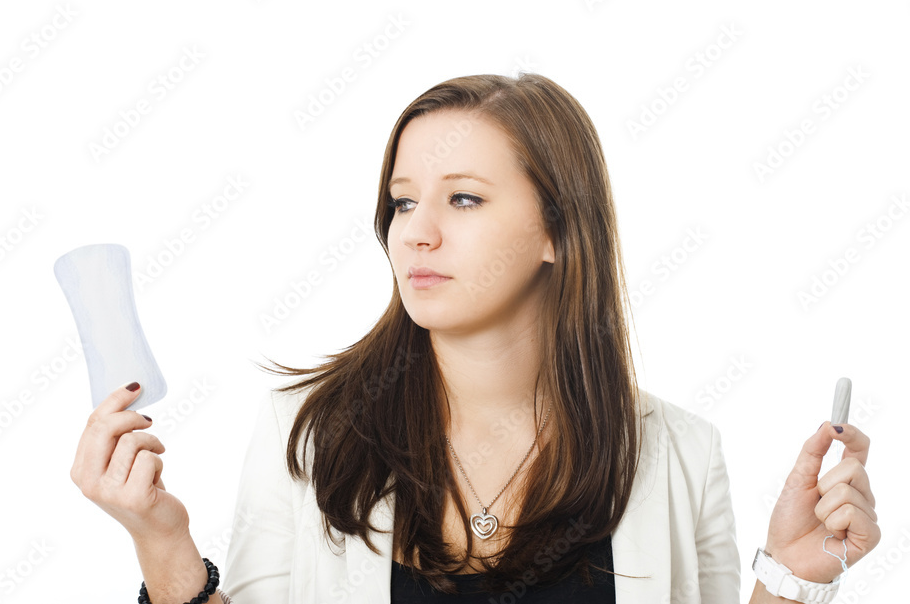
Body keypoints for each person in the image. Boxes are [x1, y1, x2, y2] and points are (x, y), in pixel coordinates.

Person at [70, 73, 880, 603]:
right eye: (402, 200)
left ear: (557, 230)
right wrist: (162, 541)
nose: (415, 232)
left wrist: (791, 576)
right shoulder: (308, 433)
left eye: (463, 199)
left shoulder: (680, 454)